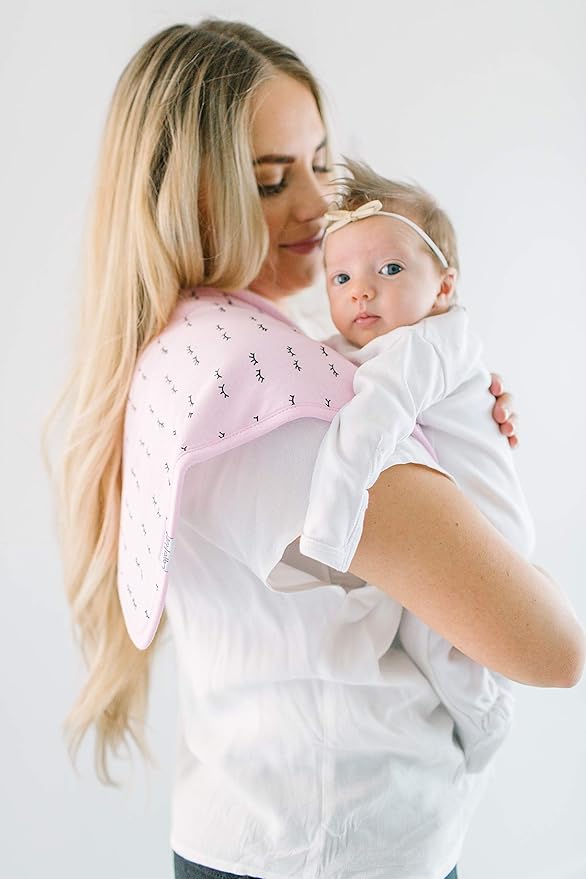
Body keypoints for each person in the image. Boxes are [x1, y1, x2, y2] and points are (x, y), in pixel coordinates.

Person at [44, 19, 584, 879]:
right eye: (269, 180)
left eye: (319, 163)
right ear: (189, 195)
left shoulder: (196, 350)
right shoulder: (268, 398)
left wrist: (451, 413)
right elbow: (551, 647)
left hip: (263, 825)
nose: (318, 204)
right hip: (337, 848)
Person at [297, 159, 536, 772]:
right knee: (431, 638)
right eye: (341, 277)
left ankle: (484, 731)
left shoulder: (422, 344)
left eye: (389, 270)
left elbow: (370, 421)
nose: (360, 290)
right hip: (462, 523)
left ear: (444, 287)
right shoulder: (404, 342)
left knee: (446, 647)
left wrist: (325, 538)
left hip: (483, 533)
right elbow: (334, 361)